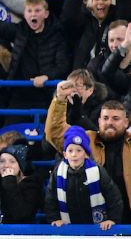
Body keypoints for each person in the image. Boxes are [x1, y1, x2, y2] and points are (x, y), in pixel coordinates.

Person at [45, 81, 131, 223]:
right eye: (105, 118)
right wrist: (60, 99)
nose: (109, 122)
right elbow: (54, 133)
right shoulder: (86, 139)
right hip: (92, 221)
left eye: (115, 118)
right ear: (99, 121)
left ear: (126, 122)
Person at [45, 125, 122, 230]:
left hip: (97, 229)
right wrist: (54, 218)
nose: (74, 154)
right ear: (65, 154)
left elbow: (113, 197)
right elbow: (50, 199)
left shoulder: (97, 171)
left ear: (86, 154)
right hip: (68, 229)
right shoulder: (58, 173)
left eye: (79, 150)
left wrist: (112, 219)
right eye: (70, 151)